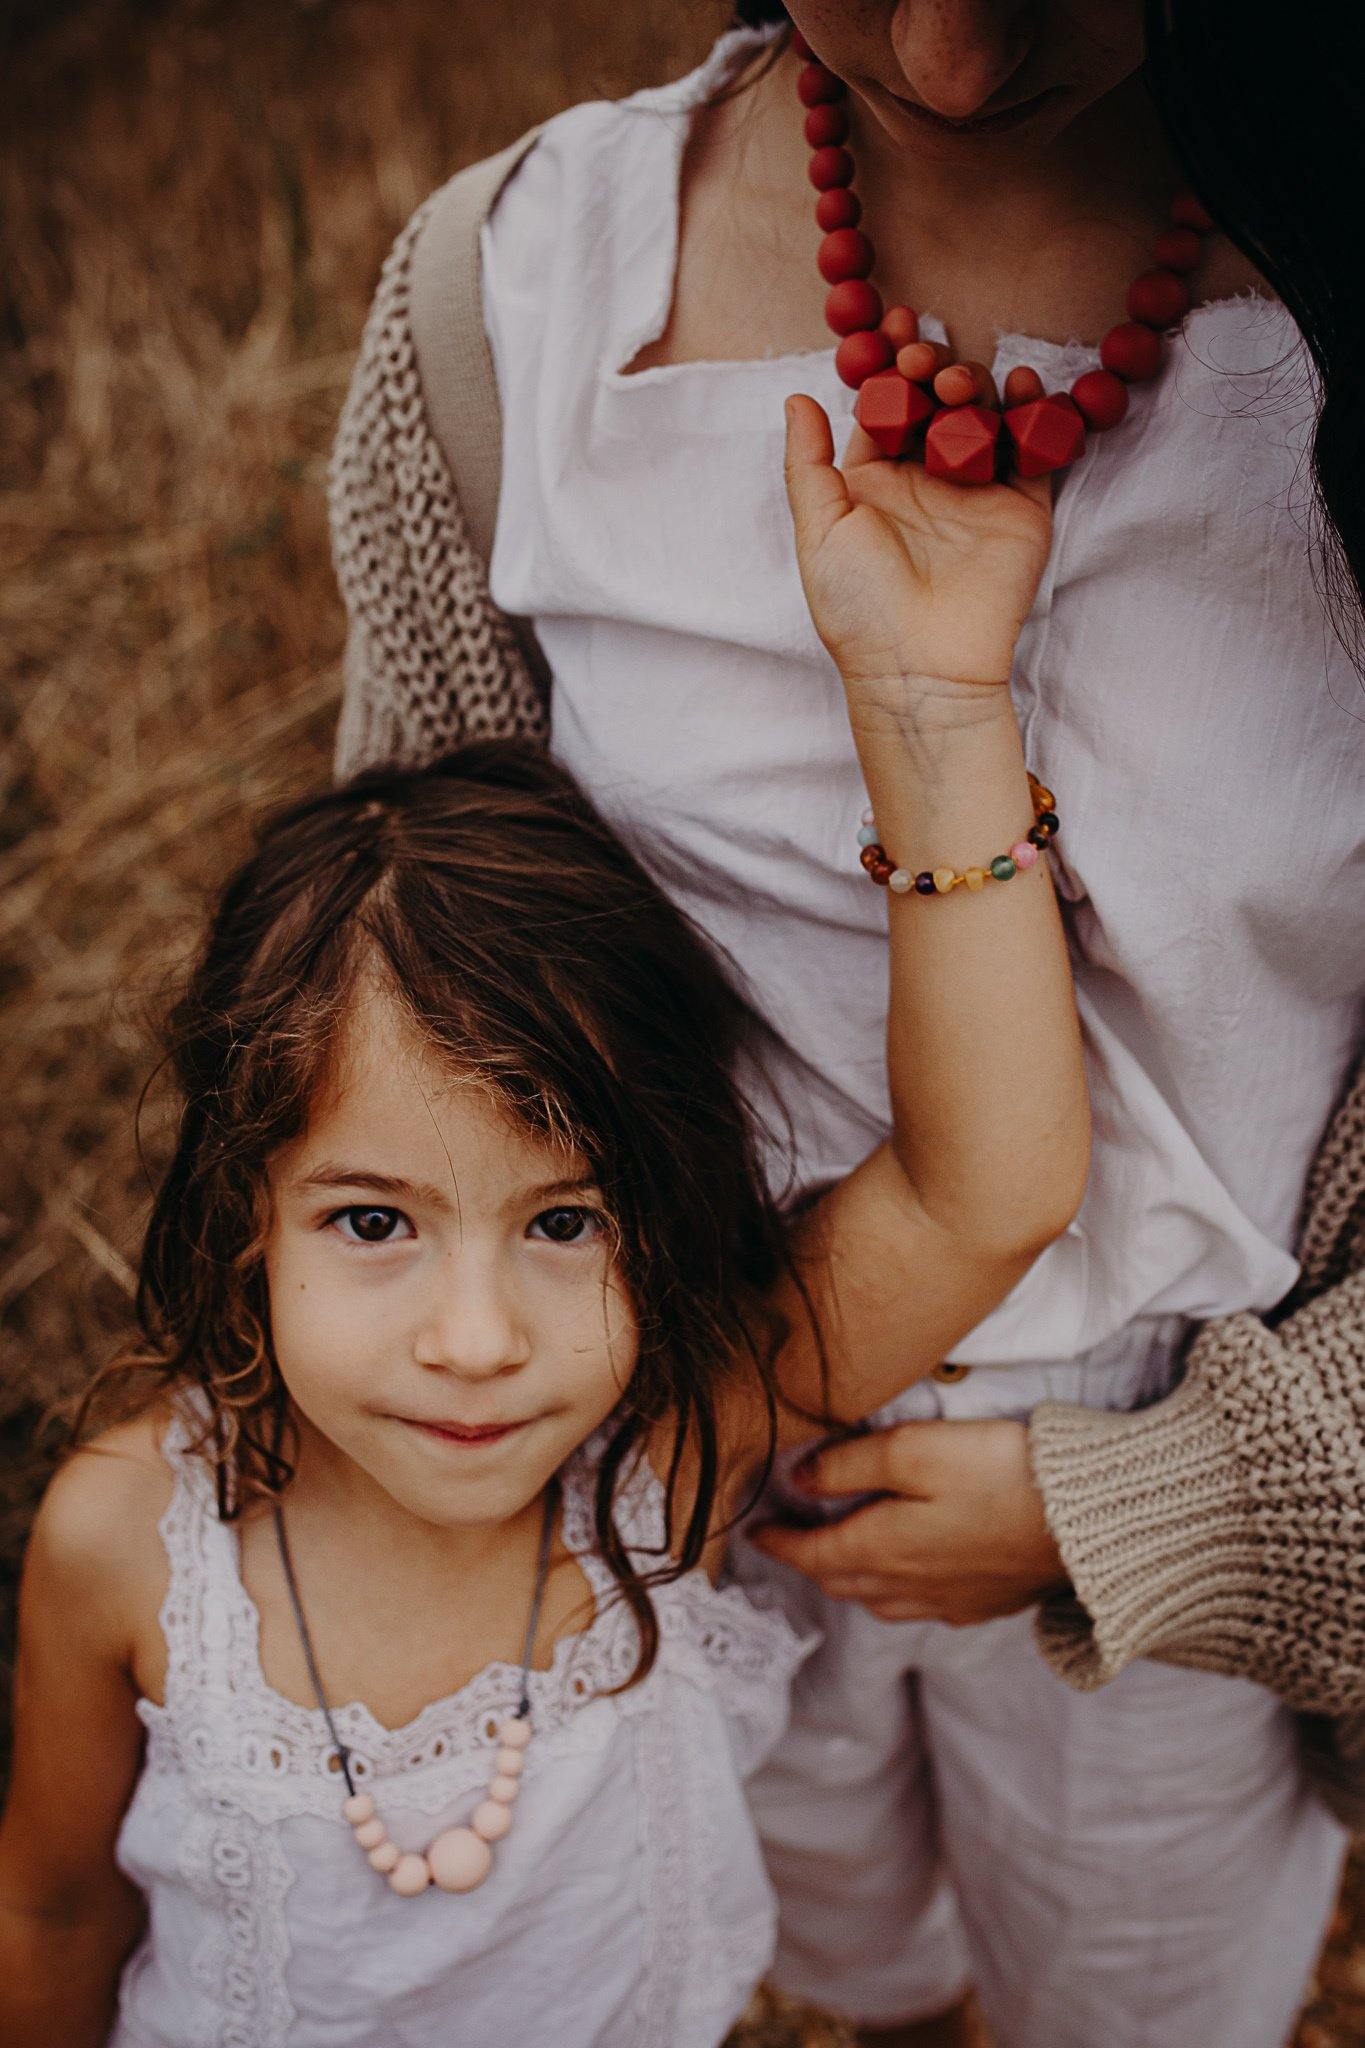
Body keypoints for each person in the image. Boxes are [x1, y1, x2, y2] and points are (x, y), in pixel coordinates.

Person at [327, 4, 1364, 2043]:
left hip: (1183, 1493)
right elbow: (407, 993)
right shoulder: (512, 296)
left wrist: (1168, 1503)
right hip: (665, 1463)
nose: (952, 56)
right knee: (828, 1962)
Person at [0, 400, 1088, 2045]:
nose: (476, 1340)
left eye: (566, 1223)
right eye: (372, 1223)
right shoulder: (128, 1544)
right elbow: (54, 1900)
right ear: (248, 1214)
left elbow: (977, 1188)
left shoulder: (665, 1461)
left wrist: (932, 707)